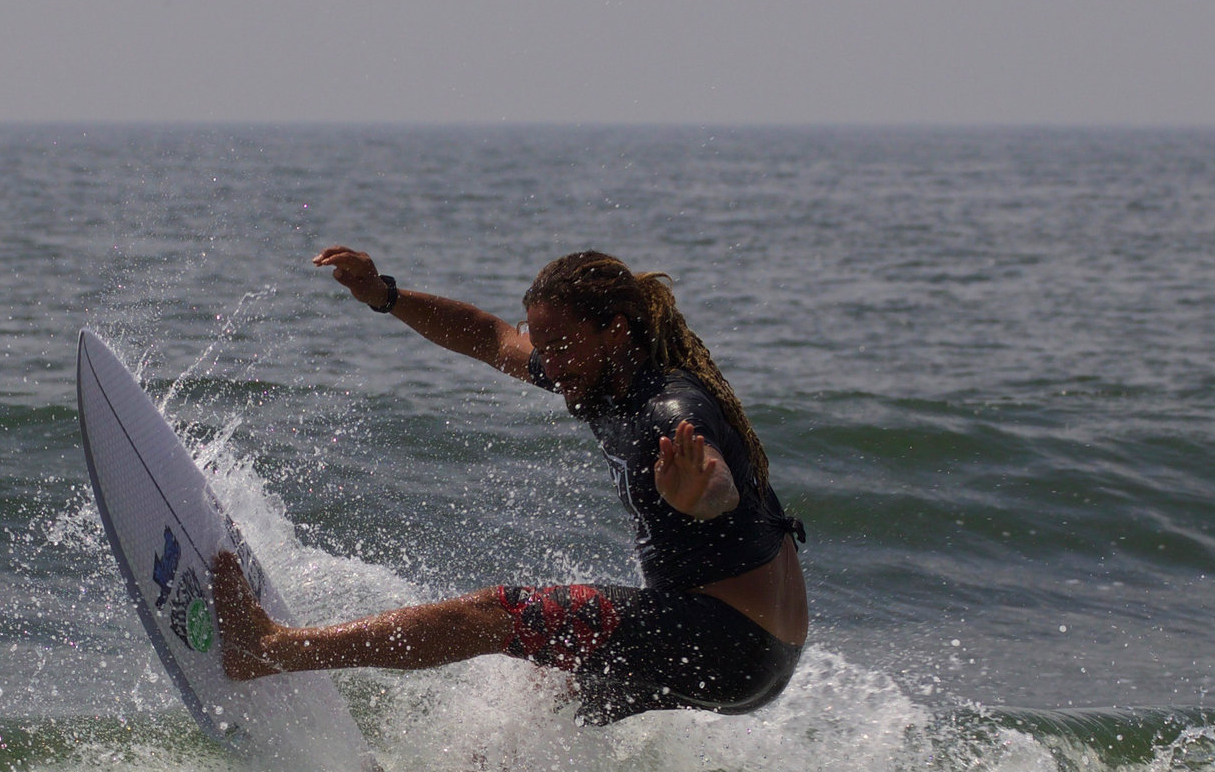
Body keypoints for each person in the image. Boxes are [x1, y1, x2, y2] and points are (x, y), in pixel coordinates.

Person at [210, 247, 807, 724]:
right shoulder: (598, 376)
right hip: (765, 658)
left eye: (563, 347)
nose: (551, 364)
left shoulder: (669, 411)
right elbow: (490, 335)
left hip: (727, 642)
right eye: (545, 347)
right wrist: (384, 296)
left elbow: (719, 485)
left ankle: (270, 649)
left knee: (499, 614)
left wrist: (700, 497)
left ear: (616, 332)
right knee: (545, 694)